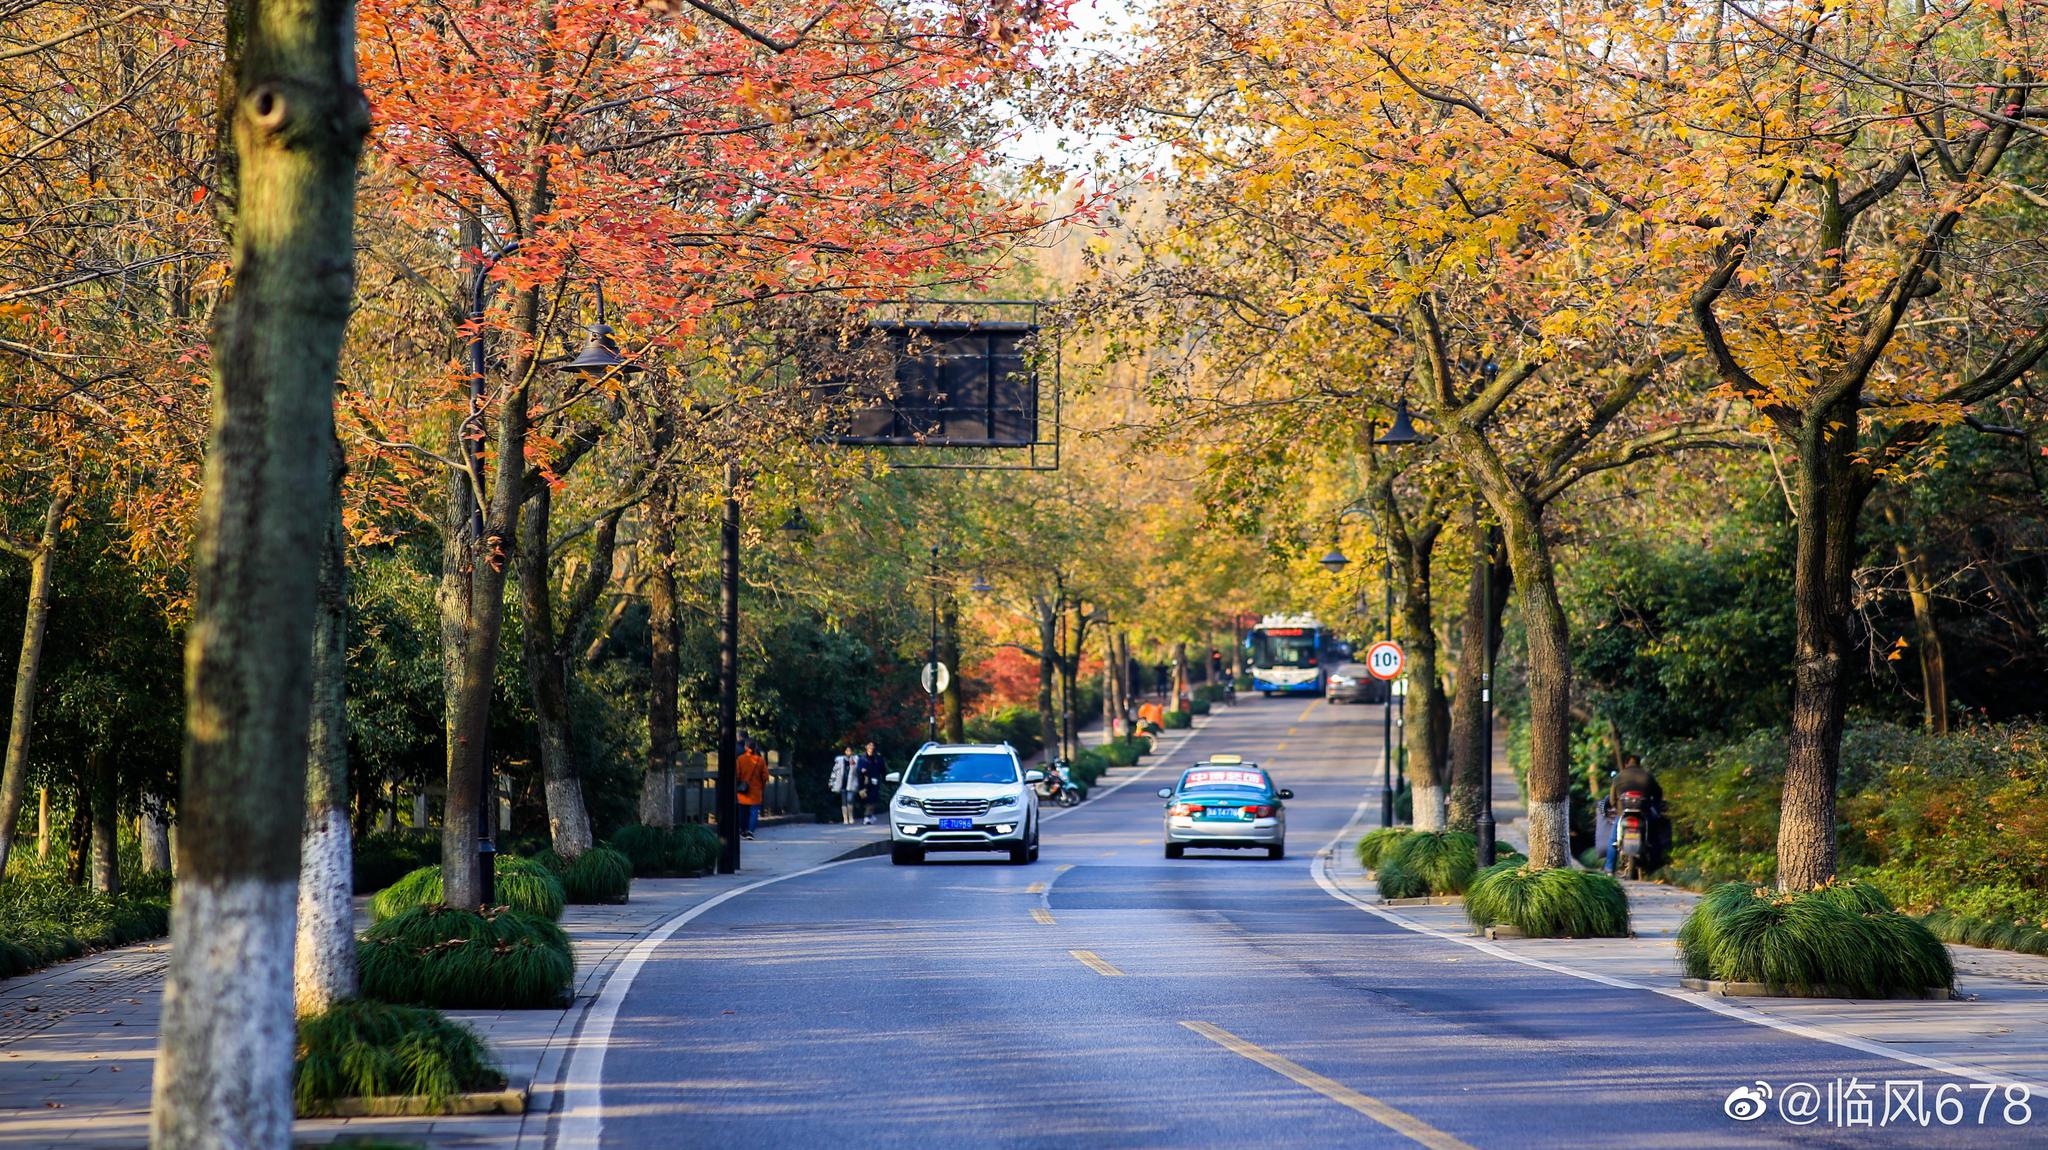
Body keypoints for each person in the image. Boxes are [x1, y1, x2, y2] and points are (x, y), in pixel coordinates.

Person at [736, 737, 768, 839]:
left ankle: (742, 830)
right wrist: (762, 787)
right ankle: (750, 831)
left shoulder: (740, 759)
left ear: (746, 747)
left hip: (743, 791)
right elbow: (765, 776)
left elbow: (737, 774)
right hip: (756, 791)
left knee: (742, 812)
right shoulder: (760, 760)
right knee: (754, 812)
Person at [829, 745, 861, 825]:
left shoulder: (855, 760)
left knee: (850, 800)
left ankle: (851, 817)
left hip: (851, 783)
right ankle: (845, 818)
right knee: (844, 802)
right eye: (847, 751)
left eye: (850, 751)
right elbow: (834, 771)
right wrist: (831, 782)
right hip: (842, 783)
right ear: (845, 752)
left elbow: (858, 770)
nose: (848, 752)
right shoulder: (839, 760)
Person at [856, 742, 886, 825]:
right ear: (866, 747)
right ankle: (869, 815)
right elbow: (858, 769)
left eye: (872, 746)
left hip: (875, 781)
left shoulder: (878, 758)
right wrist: (861, 770)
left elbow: (883, 770)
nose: (871, 747)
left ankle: (867, 816)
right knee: (866, 799)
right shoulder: (862, 758)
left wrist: (884, 778)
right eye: (869, 746)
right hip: (864, 782)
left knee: (873, 798)